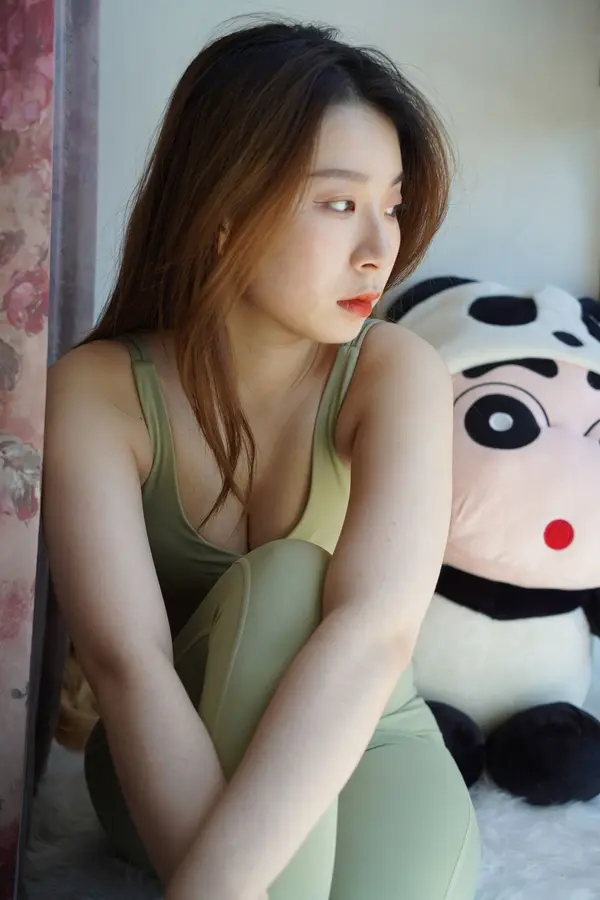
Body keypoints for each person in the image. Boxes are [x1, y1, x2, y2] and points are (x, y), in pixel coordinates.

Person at [42, 17, 480, 900]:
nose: (380, 250)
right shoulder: (97, 392)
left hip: (371, 743)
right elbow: (128, 666)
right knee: (285, 580)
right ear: (223, 211)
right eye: (338, 204)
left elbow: (376, 636)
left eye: (392, 205)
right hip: (168, 761)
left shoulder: (396, 373)